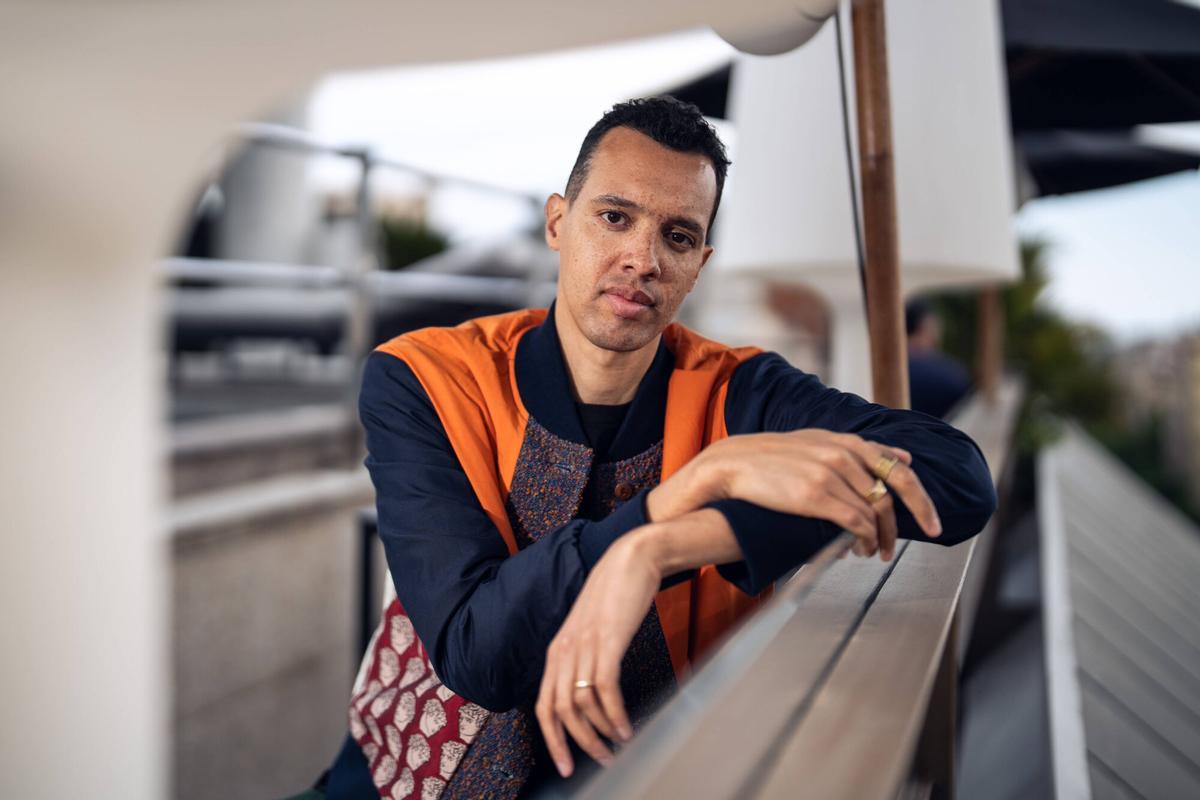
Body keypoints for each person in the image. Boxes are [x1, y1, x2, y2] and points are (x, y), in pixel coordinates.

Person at [320, 98, 996, 800]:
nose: (642, 260)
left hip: (649, 772)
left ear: (699, 264)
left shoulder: (741, 390)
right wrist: (690, 489)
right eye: (615, 218)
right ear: (558, 223)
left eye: (676, 236)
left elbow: (958, 477)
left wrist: (660, 548)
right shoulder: (426, 377)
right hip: (409, 776)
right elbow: (476, 654)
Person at [905, 298, 973, 419]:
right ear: (923, 328)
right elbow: (961, 384)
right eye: (934, 330)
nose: (937, 337)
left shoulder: (890, 369)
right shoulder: (944, 373)